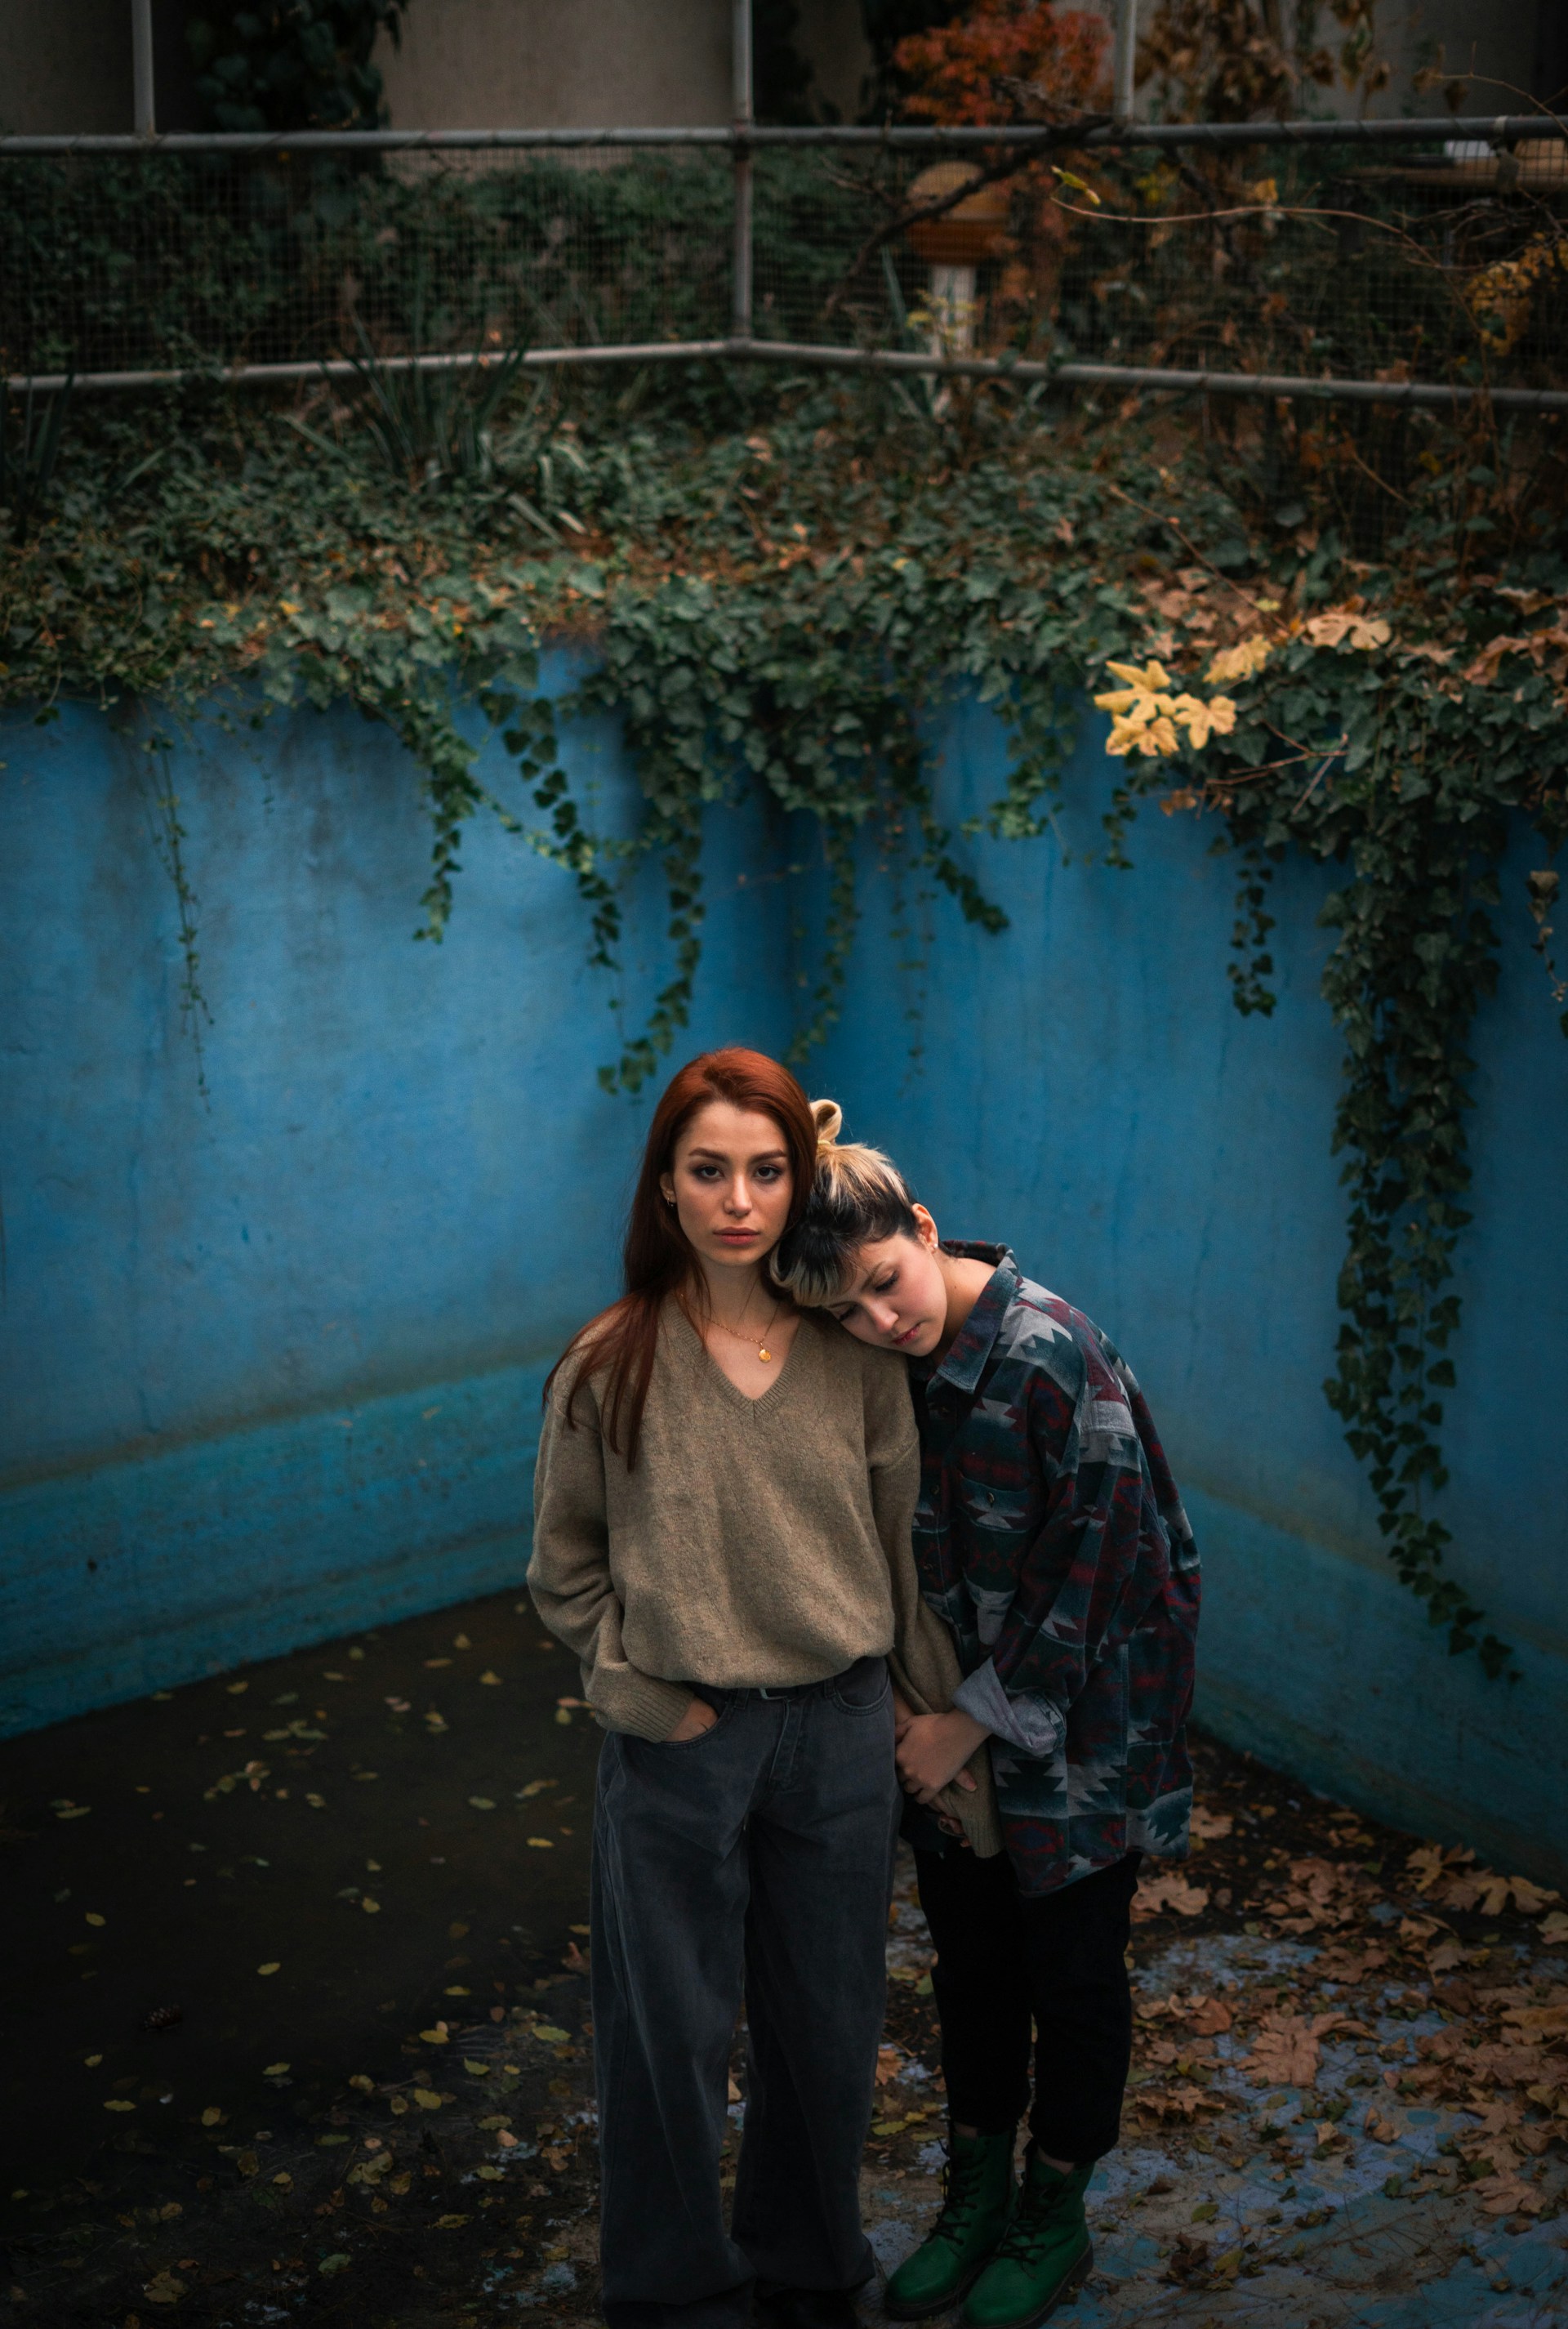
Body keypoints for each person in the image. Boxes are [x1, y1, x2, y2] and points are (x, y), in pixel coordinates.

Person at [527, 1049, 989, 2329]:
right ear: (665, 1189)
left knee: (828, 2029)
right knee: (666, 2038)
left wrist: (921, 1712)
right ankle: (675, 2291)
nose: (740, 1201)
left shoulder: (856, 1355)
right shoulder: (609, 1364)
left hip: (840, 1732)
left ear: (800, 1183)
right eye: (709, 1171)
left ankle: (810, 2265)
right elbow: (563, 1566)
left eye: (768, 1171)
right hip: (683, 1740)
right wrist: (635, 1696)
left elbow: (900, 1553)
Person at [771, 1127, 1200, 2329]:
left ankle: (1052, 2211)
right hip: (941, 1732)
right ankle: (975, 2198)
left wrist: (971, 1723)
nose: (880, 1322)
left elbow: (1109, 1572)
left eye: (885, 1283)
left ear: (923, 1229)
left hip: (1082, 1733)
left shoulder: (1053, 1355)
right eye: (847, 1313)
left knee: (1074, 1975)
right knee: (972, 1968)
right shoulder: (884, 1365)